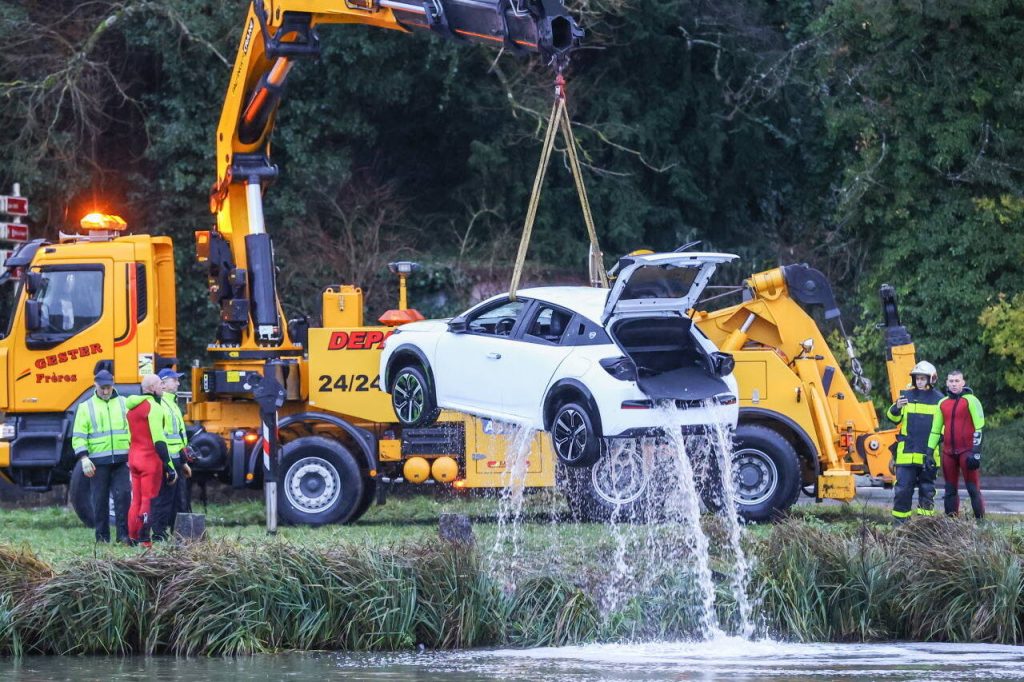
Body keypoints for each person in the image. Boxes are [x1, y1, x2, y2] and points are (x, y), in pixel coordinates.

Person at [70, 369, 130, 543]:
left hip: (121, 460)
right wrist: (83, 458)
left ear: (113, 385)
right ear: (95, 385)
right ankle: (102, 537)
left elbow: (132, 430)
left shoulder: (124, 403)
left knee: (123, 497)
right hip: (97, 463)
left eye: (108, 387)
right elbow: (79, 435)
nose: (105, 391)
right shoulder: (85, 407)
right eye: (102, 387)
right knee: (99, 500)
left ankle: (123, 536)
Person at [887, 360, 945, 524]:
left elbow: (943, 428)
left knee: (927, 491)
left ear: (931, 379)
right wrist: (896, 407)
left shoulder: (940, 400)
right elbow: (893, 418)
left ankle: (924, 526)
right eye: (917, 378)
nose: (919, 381)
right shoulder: (906, 396)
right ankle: (900, 526)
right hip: (906, 455)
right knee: (903, 491)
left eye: (922, 378)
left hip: (928, 456)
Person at [126, 374, 177, 547]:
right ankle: (145, 540)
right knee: (148, 500)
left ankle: (132, 537)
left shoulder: (131, 407)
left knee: (136, 500)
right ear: (151, 388)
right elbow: (159, 440)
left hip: (134, 458)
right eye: (160, 384)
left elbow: (130, 436)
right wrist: (169, 466)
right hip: (149, 460)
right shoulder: (154, 407)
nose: (163, 386)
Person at [151, 368, 192, 540]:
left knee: (177, 500)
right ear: (164, 383)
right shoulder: (161, 405)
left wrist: (183, 461)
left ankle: (178, 533)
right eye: (175, 380)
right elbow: (160, 436)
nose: (178, 383)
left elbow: (179, 437)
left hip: (176, 459)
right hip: (166, 460)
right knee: (164, 499)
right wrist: (168, 463)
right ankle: (159, 533)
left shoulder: (172, 404)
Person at [939, 370, 986, 519]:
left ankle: (981, 524)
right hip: (948, 453)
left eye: (957, 381)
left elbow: (979, 427)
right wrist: (928, 452)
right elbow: (935, 431)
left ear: (963, 382)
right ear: (947, 383)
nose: (954, 384)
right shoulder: (942, 403)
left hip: (967, 451)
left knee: (973, 489)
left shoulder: (971, 400)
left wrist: (976, 453)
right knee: (949, 490)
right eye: (951, 381)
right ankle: (951, 526)